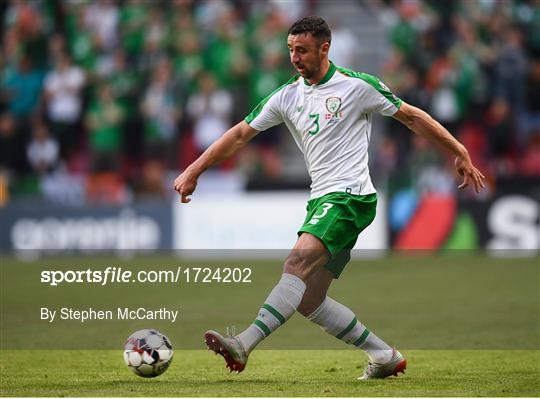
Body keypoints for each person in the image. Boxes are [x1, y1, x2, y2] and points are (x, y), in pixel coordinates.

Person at [173, 16, 485, 380]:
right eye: (290, 49)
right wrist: (194, 169)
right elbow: (241, 134)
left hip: (349, 197)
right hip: (323, 200)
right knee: (308, 300)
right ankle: (383, 355)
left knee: (295, 266)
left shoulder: (356, 86)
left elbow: (412, 117)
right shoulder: (287, 95)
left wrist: (458, 149)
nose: (294, 57)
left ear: (325, 48)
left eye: (302, 50)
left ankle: (243, 344)